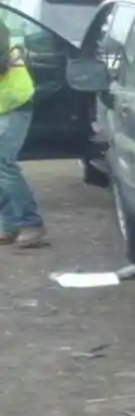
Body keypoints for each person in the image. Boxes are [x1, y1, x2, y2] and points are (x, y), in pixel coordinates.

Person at [0, 20, 48, 250]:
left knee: (4, 163)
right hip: (4, 103)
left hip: (13, 102)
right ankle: (9, 225)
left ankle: (31, 224)